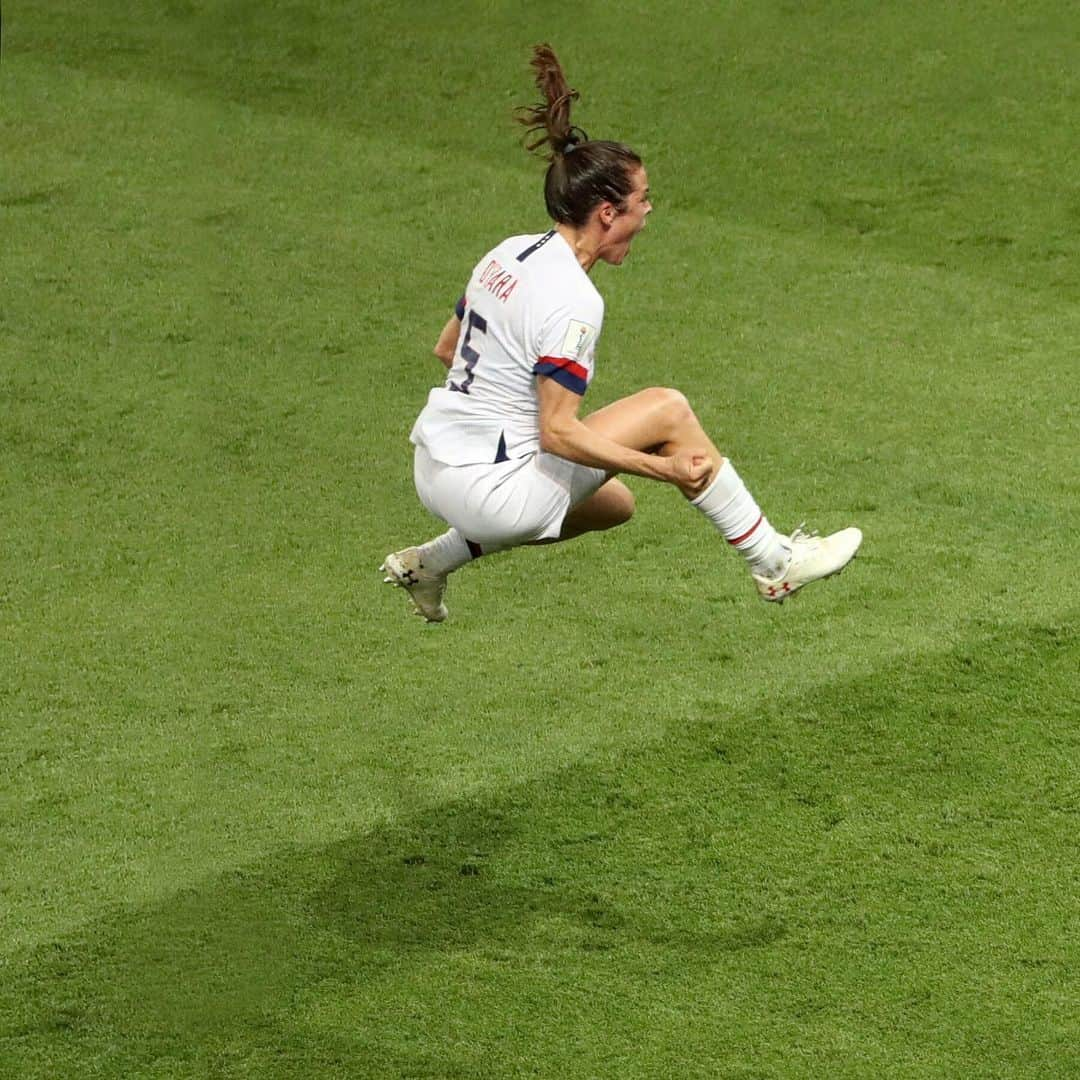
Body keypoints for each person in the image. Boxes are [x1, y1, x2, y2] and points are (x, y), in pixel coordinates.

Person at [382, 44, 860, 622]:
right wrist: (664, 467)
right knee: (666, 410)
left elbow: (447, 347)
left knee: (611, 505)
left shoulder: (507, 253)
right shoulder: (574, 300)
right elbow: (558, 434)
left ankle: (430, 563)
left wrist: (499, 423)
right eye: (642, 200)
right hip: (493, 492)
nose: (649, 210)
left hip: (434, 469)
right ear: (607, 212)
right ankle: (773, 561)